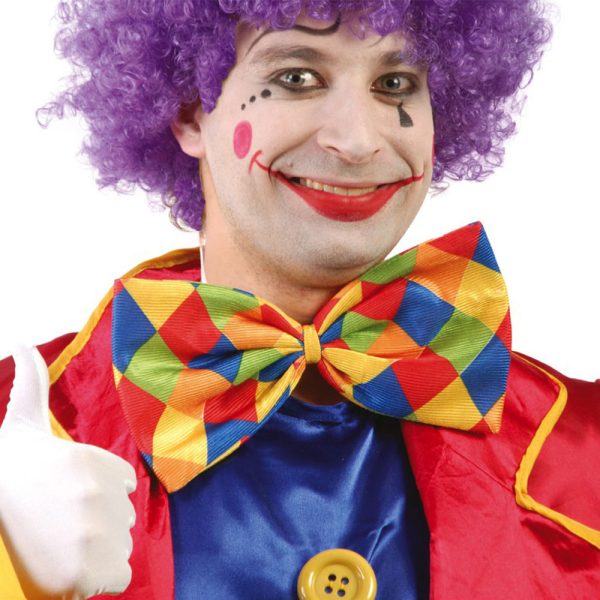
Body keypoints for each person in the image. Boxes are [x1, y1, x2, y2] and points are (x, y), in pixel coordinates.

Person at [0, 1, 598, 598]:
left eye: (395, 83)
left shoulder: (584, 446)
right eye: (296, 77)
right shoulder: (19, 445)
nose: (358, 141)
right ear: (188, 114)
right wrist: (10, 566)